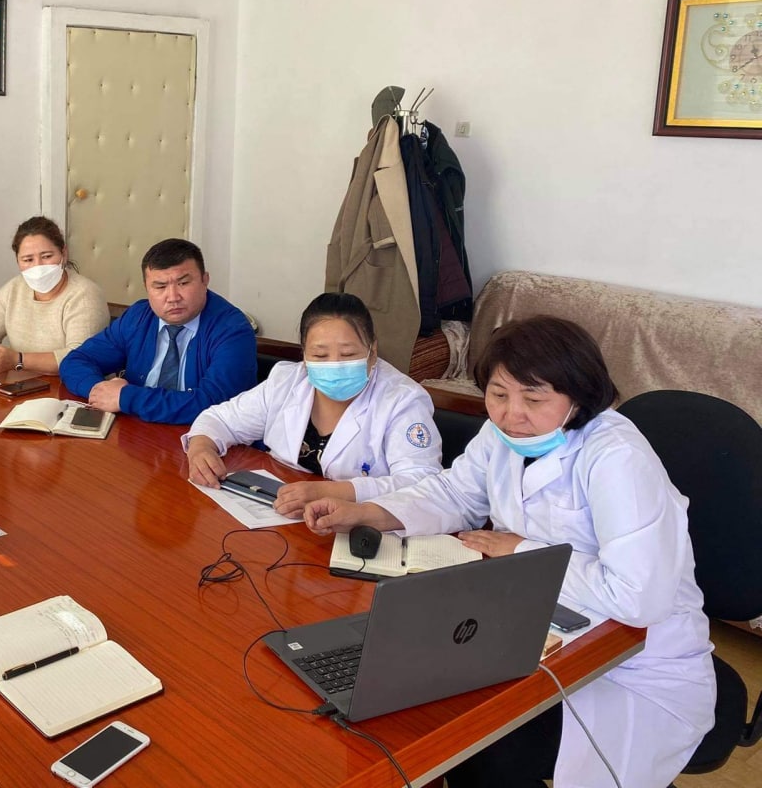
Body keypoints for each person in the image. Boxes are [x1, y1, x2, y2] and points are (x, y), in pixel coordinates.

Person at [303, 316, 715, 788]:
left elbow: (638, 597)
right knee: (432, 711)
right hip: (529, 624)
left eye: (534, 399)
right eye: (498, 394)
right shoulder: (502, 436)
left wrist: (520, 549)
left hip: (631, 664)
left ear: (578, 397)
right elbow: (455, 494)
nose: (510, 414)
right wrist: (368, 513)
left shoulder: (617, 458)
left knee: (487, 748)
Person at [183, 293, 441, 516]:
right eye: (320, 355)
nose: (334, 364)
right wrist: (201, 448)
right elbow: (220, 419)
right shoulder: (287, 380)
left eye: (348, 354)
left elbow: (422, 482)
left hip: (358, 523)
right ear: (304, 356)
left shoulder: (402, 399)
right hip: (282, 513)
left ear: (372, 352)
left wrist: (335, 492)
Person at [59, 238, 256, 425]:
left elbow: (213, 403)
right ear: (146, 288)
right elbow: (76, 361)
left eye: (183, 283)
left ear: (205, 280)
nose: (173, 297)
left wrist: (126, 398)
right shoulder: (138, 316)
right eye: (160, 286)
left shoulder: (232, 329)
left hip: (203, 438)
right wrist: (99, 391)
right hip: (139, 430)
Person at [0, 216, 109, 376]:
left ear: (64, 253)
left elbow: (79, 358)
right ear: (18, 261)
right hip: (22, 384)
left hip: (72, 386)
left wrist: (17, 360)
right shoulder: (15, 287)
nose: (38, 266)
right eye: (28, 260)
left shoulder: (85, 294)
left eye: (47, 256)